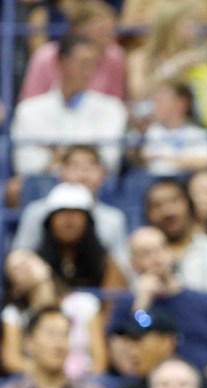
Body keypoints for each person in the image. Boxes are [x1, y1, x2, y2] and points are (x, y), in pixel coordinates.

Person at [107, 227, 207, 377]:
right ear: (133, 263)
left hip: (201, 386)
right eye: (146, 253)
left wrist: (197, 385)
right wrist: (141, 305)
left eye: (160, 249)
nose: (156, 258)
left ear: (170, 252)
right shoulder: (126, 307)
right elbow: (126, 364)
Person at [11, 34, 128, 176]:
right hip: (45, 188)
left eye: (94, 64)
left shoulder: (113, 108)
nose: (88, 71)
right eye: (83, 63)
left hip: (95, 189)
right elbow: (26, 166)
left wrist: (58, 155)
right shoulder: (28, 110)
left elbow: (109, 161)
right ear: (61, 63)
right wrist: (83, 155)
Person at [13, 145, 129, 273]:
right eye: (75, 166)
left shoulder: (114, 218)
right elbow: (19, 257)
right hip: (46, 284)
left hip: (97, 284)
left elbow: (122, 266)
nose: (84, 173)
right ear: (61, 173)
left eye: (91, 167)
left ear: (103, 175)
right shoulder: (36, 212)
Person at [1, 249, 108, 378]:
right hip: (36, 384)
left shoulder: (86, 303)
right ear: (15, 289)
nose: (26, 266)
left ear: (46, 265)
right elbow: (12, 361)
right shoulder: (14, 314)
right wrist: (52, 374)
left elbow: (100, 359)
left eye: (28, 259)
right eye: (16, 268)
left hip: (84, 383)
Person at [125, 0, 207, 130]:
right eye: (190, 22)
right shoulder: (140, 57)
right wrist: (174, 66)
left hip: (188, 125)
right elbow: (139, 93)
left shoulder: (197, 59)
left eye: (197, 23)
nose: (196, 28)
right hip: (146, 124)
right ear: (170, 25)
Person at [18, 0, 125, 102]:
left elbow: (116, 103)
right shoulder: (45, 57)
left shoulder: (115, 56)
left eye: (110, 31)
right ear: (77, 29)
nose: (108, 37)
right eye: (101, 31)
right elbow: (30, 104)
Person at [33, 183, 128, 291]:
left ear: (88, 223)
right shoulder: (35, 264)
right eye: (62, 213)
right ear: (50, 222)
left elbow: (112, 302)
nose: (69, 221)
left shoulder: (105, 264)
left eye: (76, 213)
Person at [140, 81, 207, 176]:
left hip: (187, 180)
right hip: (155, 181)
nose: (155, 106)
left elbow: (205, 162)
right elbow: (146, 157)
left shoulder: (198, 132)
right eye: (154, 101)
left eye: (161, 101)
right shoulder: (152, 131)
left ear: (181, 103)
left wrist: (163, 158)